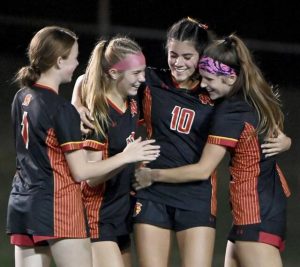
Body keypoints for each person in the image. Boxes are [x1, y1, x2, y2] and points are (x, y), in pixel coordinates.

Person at [73, 17, 291, 267]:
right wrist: (78, 106)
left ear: (201, 55)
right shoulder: (150, 83)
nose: (178, 63)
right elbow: (91, 79)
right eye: (173, 54)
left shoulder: (214, 88)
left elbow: (256, 109)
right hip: (151, 193)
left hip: (197, 196)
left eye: (187, 56)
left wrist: (284, 140)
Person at [6, 26, 159, 267]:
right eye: (74, 57)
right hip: (59, 205)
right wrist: (128, 156)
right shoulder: (63, 109)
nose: (78, 63)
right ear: (59, 61)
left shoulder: (21, 96)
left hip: (22, 202)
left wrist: (77, 101)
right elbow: (82, 172)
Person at [134, 34, 291, 267]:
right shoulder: (252, 98)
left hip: (255, 212)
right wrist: (287, 141)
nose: (204, 85)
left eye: (208, 78)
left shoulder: (230, 112)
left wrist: (151, 175)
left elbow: (203, 170)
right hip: (255, 210)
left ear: (230, 77)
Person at [71, 36, 149, 267]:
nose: (142, 79)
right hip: (97, 216)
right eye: (136, 73)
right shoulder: (99, 115)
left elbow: (85, 78)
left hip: (120, 213)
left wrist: (138, 166)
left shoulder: (131, 103)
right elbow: (90, 177)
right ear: (114, 73)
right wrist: (127, 157)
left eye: (143, 72)